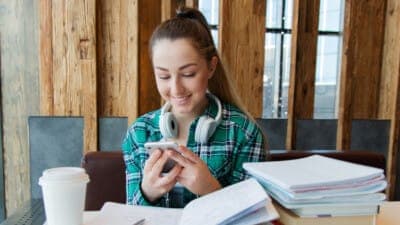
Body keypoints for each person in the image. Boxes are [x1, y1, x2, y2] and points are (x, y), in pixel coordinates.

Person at [121, 6, 267, 208]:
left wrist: (211, 190)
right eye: (163, 76)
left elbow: (254, 216)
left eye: (188, 74)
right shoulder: (139, 133)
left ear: (211, 67)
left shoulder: (243, 133)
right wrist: (147, 192)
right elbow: (130, 215)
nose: (176, 89)